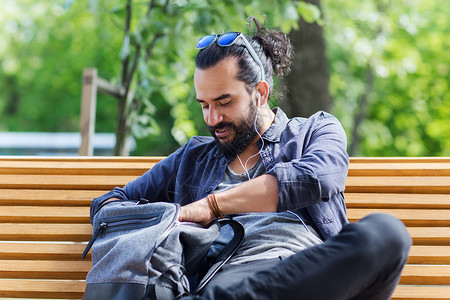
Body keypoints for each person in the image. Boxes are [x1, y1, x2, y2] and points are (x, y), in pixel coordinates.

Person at [90, 17, 411, 300]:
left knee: (387, 233)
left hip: (317, 274)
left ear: (260, 93)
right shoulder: (193, 157)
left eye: (224, 101)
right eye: (203, 104)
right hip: (233, 272)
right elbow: (108, 204)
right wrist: (171, 220)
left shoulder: (314, 130)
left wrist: (213, 205)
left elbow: (316, 178)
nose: (212, 117)